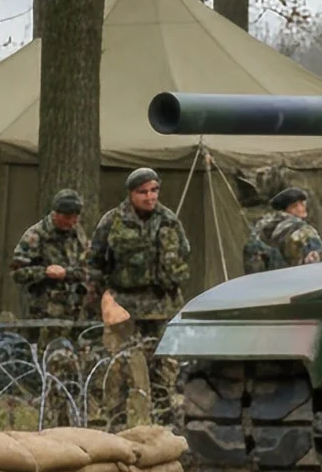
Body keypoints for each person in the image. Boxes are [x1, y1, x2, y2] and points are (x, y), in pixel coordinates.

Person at [87, 168, 191, 430]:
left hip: (162, 306)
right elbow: (95, 262)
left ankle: (164, 425)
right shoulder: (113, 221)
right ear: (131, 194)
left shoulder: (169, 220)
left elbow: (184, 253)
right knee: (118, 368)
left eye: (154, 190)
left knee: (164, 369)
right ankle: (117, 425)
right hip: (124, 306)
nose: (150, 196)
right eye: (143, 192)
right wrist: (104, 299)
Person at [10, 189, 94, 324]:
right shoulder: (35, 236)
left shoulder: (77, 233)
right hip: (44, 313)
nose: (72, 222)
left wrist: (68, 273)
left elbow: (88, 265)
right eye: (67, 218)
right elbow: (16, 273)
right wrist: (45, 272)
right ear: (55, 214)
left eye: (75, 218)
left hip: (76, 311)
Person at [244, 186, 322, 273]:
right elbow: (314, 259)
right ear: (288, 209)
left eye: (302, 204)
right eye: (296, 205)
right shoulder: (302, 229)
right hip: (294, 277)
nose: (302, 208)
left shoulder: (260, 227)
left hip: (265, 278)